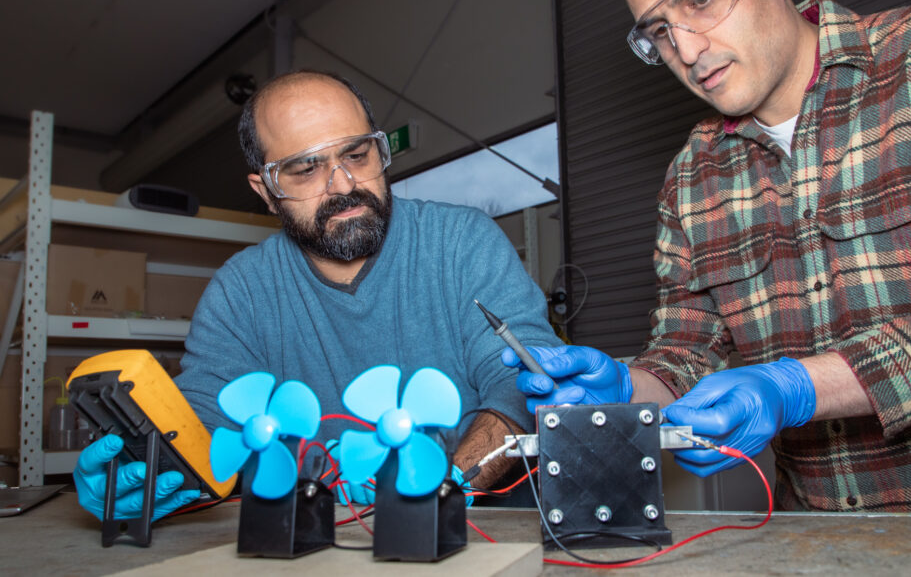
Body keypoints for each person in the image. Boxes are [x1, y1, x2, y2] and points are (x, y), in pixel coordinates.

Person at [505, 0, 911, 512]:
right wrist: (626, 389)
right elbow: (689, 353)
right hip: (815, 538)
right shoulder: (691, 178)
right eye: (659, 31)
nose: (687, 49)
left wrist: (797, 388)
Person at [73, 69, 558, 521]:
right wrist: (145, 467)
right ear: (265, 191)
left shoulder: (461, 243)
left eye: (357, 155)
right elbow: (202, 421)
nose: (345, 184)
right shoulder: (239, 292)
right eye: (305, 168)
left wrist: (448, 490)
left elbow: (520, 385)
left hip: (474, 528)